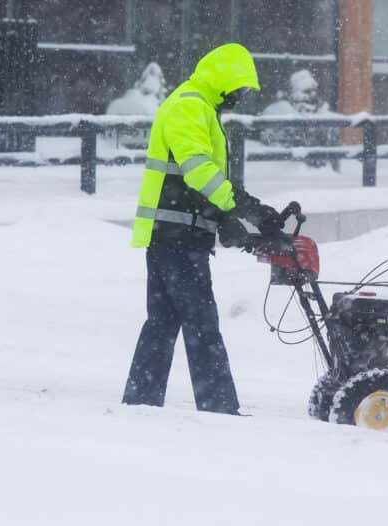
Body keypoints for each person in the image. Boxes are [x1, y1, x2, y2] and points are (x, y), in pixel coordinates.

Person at [121, 43, 284, 415]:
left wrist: (224, 220)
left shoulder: (199, 106)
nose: (243, 97)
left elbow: (192, 181)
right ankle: (219, 409)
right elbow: (198, 172)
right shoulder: (190, 105)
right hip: (177, 239)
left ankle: (140, 404)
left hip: (175, 234)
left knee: (162, 324)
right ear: (225, 80)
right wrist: (247, 208)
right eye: (241, 88)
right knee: (202, 325)